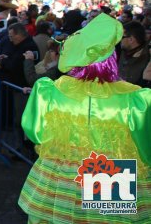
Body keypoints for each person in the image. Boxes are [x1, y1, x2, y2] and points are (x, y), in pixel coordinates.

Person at [18, 13, 151, 223]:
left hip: (63, 176)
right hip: (110, 173)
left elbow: (36, 133)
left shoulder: (51, 92)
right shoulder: (134, 98)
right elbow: (145, 146)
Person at [118, 20, 149, 87]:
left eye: (121, 37)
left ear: (131, 39)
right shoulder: (123, 50)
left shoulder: (147, 57)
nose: (119, 39)